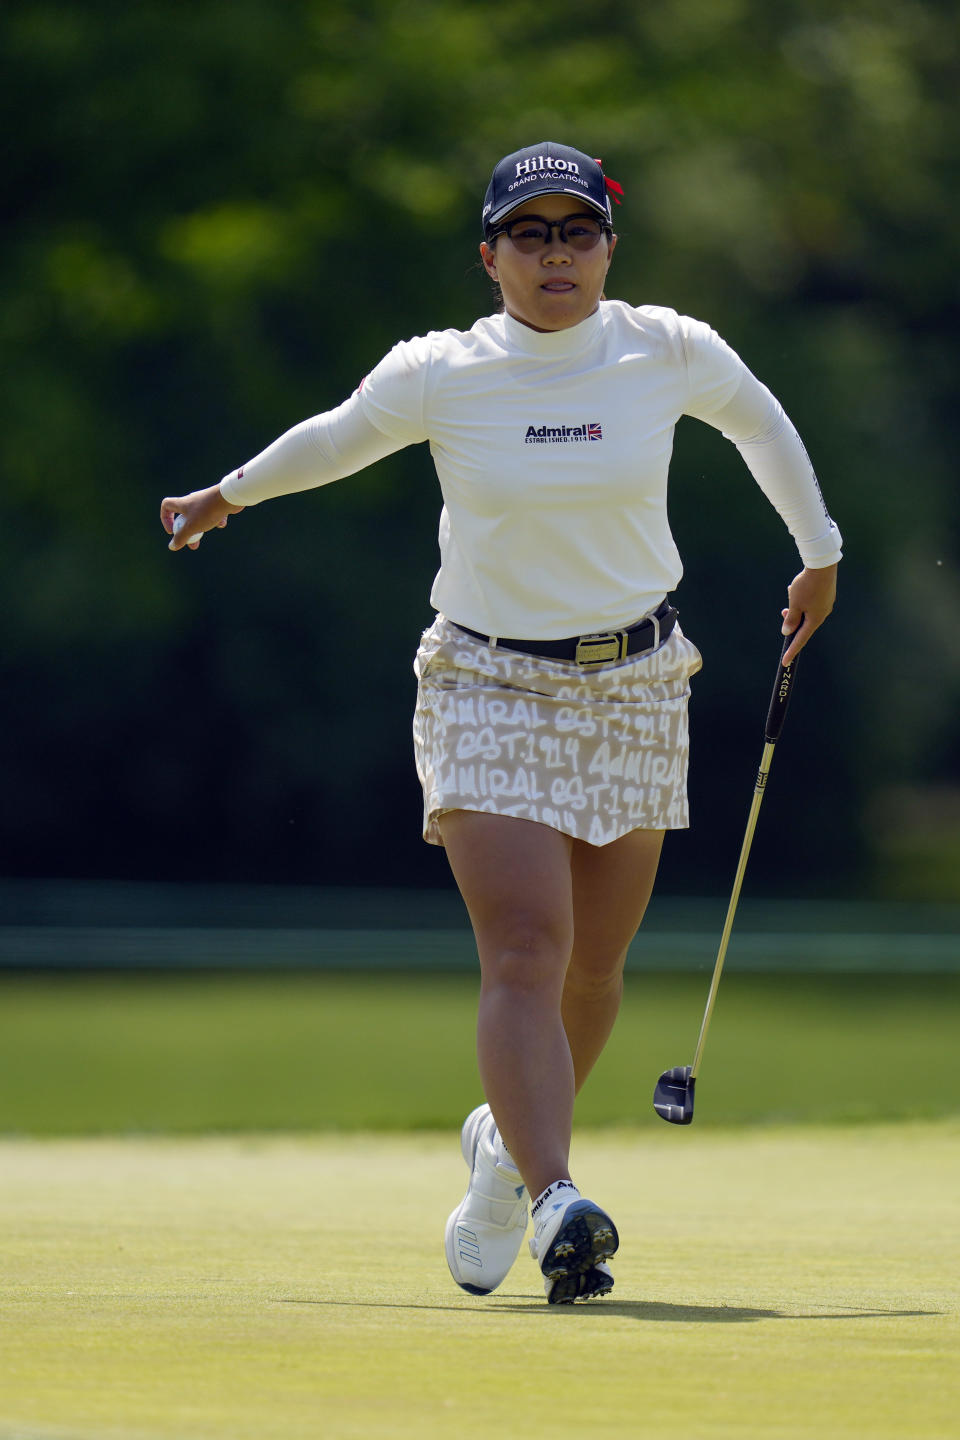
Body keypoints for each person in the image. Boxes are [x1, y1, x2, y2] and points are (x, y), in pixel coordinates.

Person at [161, 141, 841, 1305]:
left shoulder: (666, 346)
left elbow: (761, 423)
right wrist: (229, 493)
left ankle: (503, 1162)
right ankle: (559, 1195)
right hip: (484, 679)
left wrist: (820, 553)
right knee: (528, 946)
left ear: (610, 249)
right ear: (492, 257)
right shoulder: (444, 371)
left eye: (579, 231)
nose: (558, 252)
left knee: (596, 971)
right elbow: (336, 436)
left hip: (634, 680)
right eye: (532, 234)